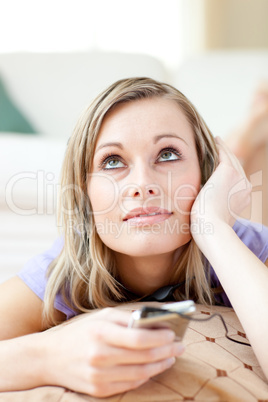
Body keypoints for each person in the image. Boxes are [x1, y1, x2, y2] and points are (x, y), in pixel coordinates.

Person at [1, 77, 268, 398]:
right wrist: (46, 357)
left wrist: (214, 227)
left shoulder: (246, 246)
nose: (143, 184)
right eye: (112, 161)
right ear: (85, 193)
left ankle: (244, 145)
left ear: (206, 174)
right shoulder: (65, 273)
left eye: (167, 154)